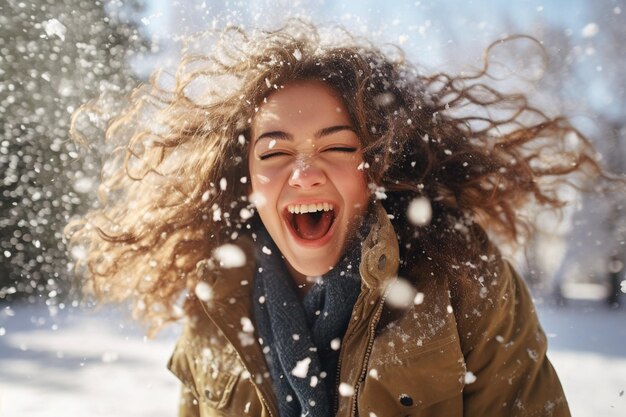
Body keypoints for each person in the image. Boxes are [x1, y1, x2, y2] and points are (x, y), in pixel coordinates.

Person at [66, 20, 604, 417]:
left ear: (378, 171)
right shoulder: (214, 303)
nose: (303, 173)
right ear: (246, 181)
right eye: (274, 154)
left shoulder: (466, 280)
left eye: (340, 147)